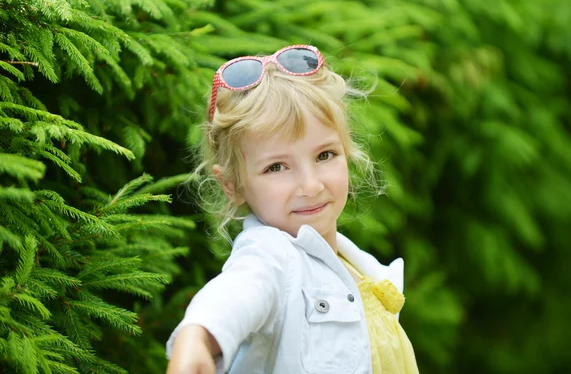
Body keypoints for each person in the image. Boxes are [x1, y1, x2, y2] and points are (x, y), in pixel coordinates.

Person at [166, 45, 419, 374]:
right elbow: (236, 295)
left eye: (324, 155)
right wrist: (197, 338)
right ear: (233, 184)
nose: (311, 185)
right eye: (276, 167)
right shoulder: (272, 258)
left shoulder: (357, 267)